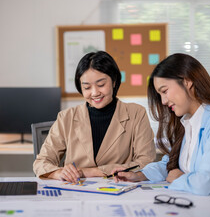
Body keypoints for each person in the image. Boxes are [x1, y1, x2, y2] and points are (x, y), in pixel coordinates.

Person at [111, 53, 210, 214]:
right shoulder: (188, 122)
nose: (163, 101)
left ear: (187, 81)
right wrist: (139, 175)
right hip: (193, 207)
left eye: (164, 91)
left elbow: (206, 183)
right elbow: (170, 165)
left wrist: (178, 178)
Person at [33, 51, 156, 182]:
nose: (95, 93)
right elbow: (41, 162)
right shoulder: (66, 117)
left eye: (101, 85)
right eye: (87, 87)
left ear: (114, 81)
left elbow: (146, 163)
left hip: (118, 191)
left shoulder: (136, 113)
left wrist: (89, 172)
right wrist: (59, 173)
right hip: (75, 192)